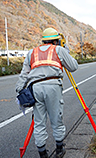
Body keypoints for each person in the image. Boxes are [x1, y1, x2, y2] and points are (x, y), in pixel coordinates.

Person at [15, 28, 78, 158]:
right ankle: (59, 149)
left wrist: (19, 90)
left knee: (39, 121)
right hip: (53, 86)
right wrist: (66, 50)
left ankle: (42, 153)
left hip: (36, 87)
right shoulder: (58, 50)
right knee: (56, 118)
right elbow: (73, 67)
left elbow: (24, 74)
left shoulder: (32, 52)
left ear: (43, 40)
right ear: (56, 40)